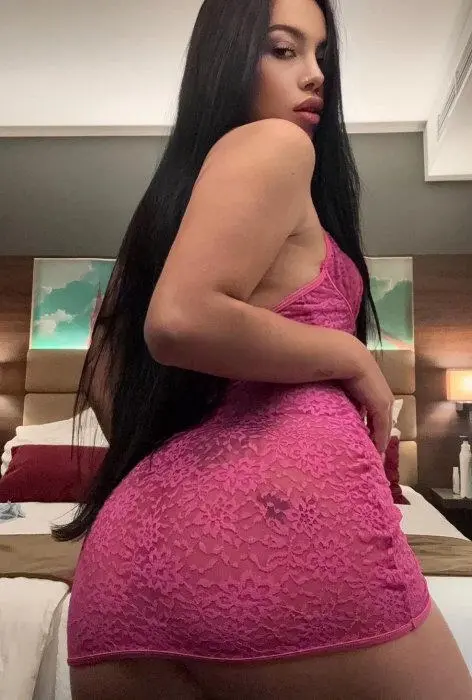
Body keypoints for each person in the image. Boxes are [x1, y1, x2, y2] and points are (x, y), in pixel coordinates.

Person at [55, 0, 472, 697]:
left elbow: (108, 369)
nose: (315, 75)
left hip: (128, 570)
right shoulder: (277, 145)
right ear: (226, 60)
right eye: (283, 49)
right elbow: (181, 320)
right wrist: (351, 356)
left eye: (321, 54)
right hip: (288, 549)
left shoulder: (171, 205)